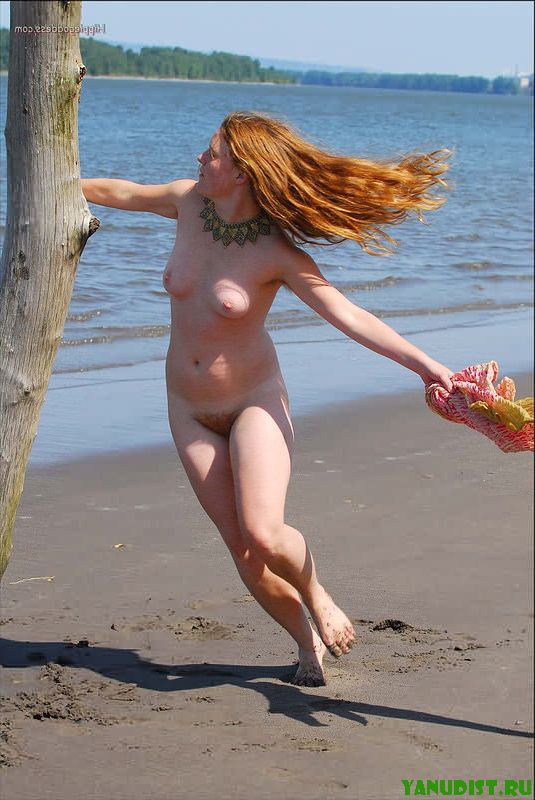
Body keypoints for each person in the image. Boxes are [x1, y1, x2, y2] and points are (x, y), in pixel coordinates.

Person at [81, 111, 454, 687]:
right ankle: (306, 643)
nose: (199, 160)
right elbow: (121, 192)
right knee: (243, 552)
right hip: (188, 410)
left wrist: (427, 367)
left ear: (242, 172)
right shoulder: (186, 203)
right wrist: (53, 179)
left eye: (211, 154)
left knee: (262, 531)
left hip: (254, 404)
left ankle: (317, 593)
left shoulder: (276, 253)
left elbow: (349, 315)